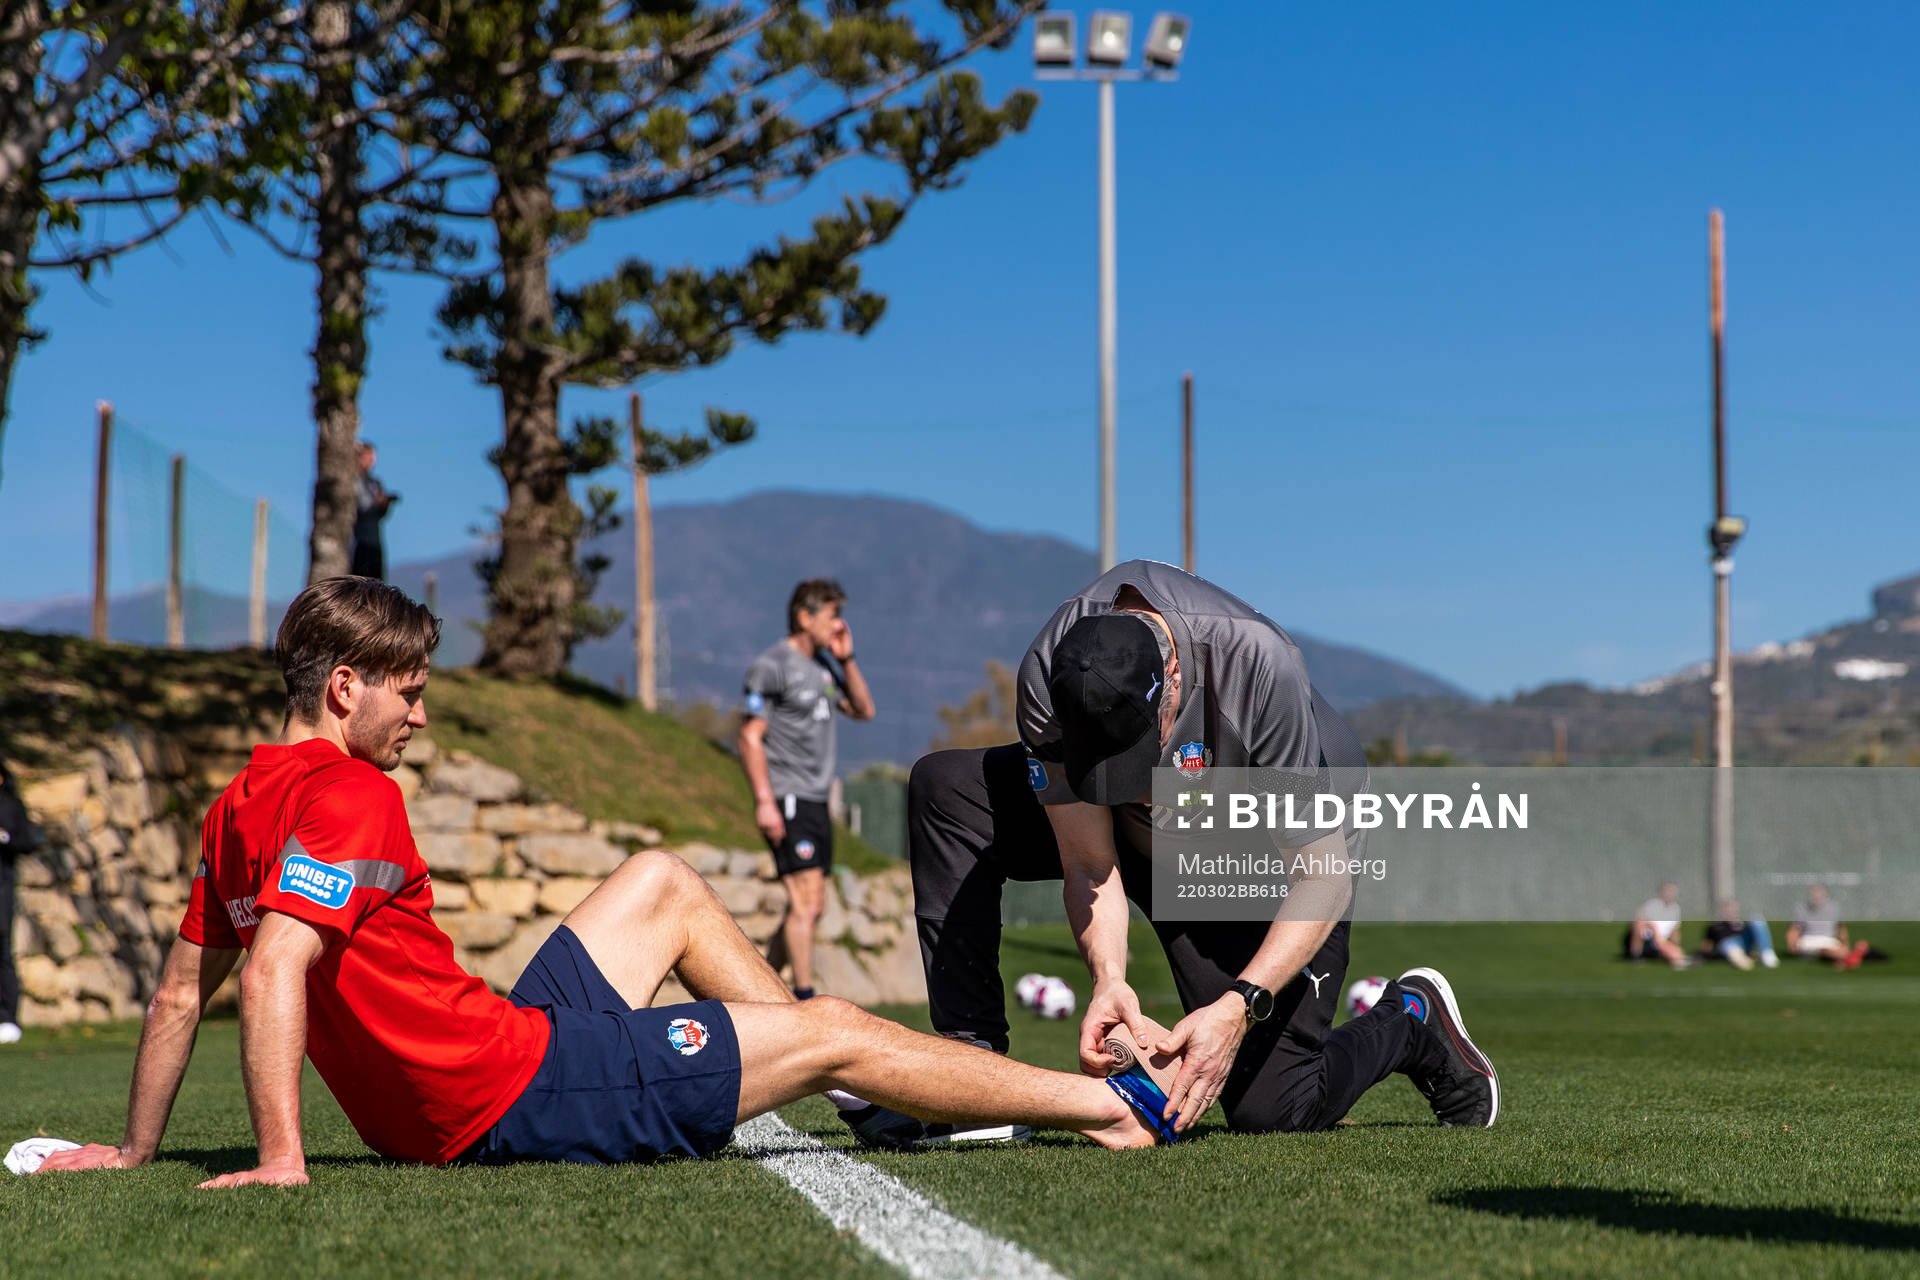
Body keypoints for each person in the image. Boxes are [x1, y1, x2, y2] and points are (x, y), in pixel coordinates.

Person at [35, 578, 1165, 1186]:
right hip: (512, 1095)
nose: (420, 717)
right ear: (344, 687)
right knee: (831, 1022)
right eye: (409, 693)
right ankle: (1111, 1103)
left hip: (502, 1041)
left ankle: (852, 1095)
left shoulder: (239, 803)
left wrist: (137, 1149)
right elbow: (278, 963)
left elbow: (183, 991)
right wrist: (282, 1158)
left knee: (664, 879)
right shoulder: (352, 795)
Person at [890, 560, 1497, 1147]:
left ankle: (1413, 1020)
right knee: (947, 789)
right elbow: (1088, 862)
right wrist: (1109, 981)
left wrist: (1238, 1006)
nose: (1126, 778)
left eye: (1133, 756)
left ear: (1174, 677)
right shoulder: (1050, 672)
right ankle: (971, 1071)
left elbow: (1322, 873)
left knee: (1275, 1107)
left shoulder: (1260, 666)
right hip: (1136, 836)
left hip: (1254, 840)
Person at [736, 580, 875, 1000]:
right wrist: (765, 801)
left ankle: (751, 990)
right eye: (831, 616)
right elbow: (749, 737)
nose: (838, 624)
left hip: (816, 799)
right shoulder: (772, 665)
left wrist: (846, 659)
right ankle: (803, 999)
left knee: (810, 904)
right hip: (787, 795)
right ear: (804, 616)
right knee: (808, 901)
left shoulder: (826, 666)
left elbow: (864, 710)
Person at [0, 757, 39, 1045]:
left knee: (2, 949)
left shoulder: (10, 805)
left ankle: (8, 1018)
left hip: (2, 887)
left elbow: (27, 841)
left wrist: (5, 838)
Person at [1787, 885, 1869, 969]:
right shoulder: (1802, 909)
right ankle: (1847, 959)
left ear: (1825, 895)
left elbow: (1840, 928)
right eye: (1814, 893)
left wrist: (1845, 943)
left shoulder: (1833, 908)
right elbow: (1794, 929)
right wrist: (1792, 945)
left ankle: (1843, 960)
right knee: (1829, 951)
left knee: (1841, 950)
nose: (1816, 896)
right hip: (1808, 940)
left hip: (1828, 940)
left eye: (1819, 893)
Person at [350, 441, 397, 580]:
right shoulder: (352, 481)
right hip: (359, 540)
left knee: (377, 581)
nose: (372, 460)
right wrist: (376, 504)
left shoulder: (374, 482)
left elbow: (380, 515)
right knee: (360, 581)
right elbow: (361, 508)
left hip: (375, 540)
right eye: (368, 456)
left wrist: (385, 504)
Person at [1697, 899, 1778, 970]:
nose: (1730, 912)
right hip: (1728, 946)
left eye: (1733, 909)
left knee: (1757, 919)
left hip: (1743, 942)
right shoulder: (1715, 927)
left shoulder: (1742, 924)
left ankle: (1767, 954)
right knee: (1728, 945)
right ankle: (1741, 959)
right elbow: (1706, 948)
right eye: (1727, 909)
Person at [1625, 882, 1691, 968]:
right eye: (1669, 892)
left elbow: (1674, 930)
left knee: (1672, 951)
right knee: (1639, 924)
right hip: (1648, 938)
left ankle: (1678, 959)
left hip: (1661, 940)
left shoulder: (1675, 909)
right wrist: (1654, 931)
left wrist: (1674, 943)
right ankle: (1635, 955)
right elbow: (1638, 920)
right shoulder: (1652, 905)